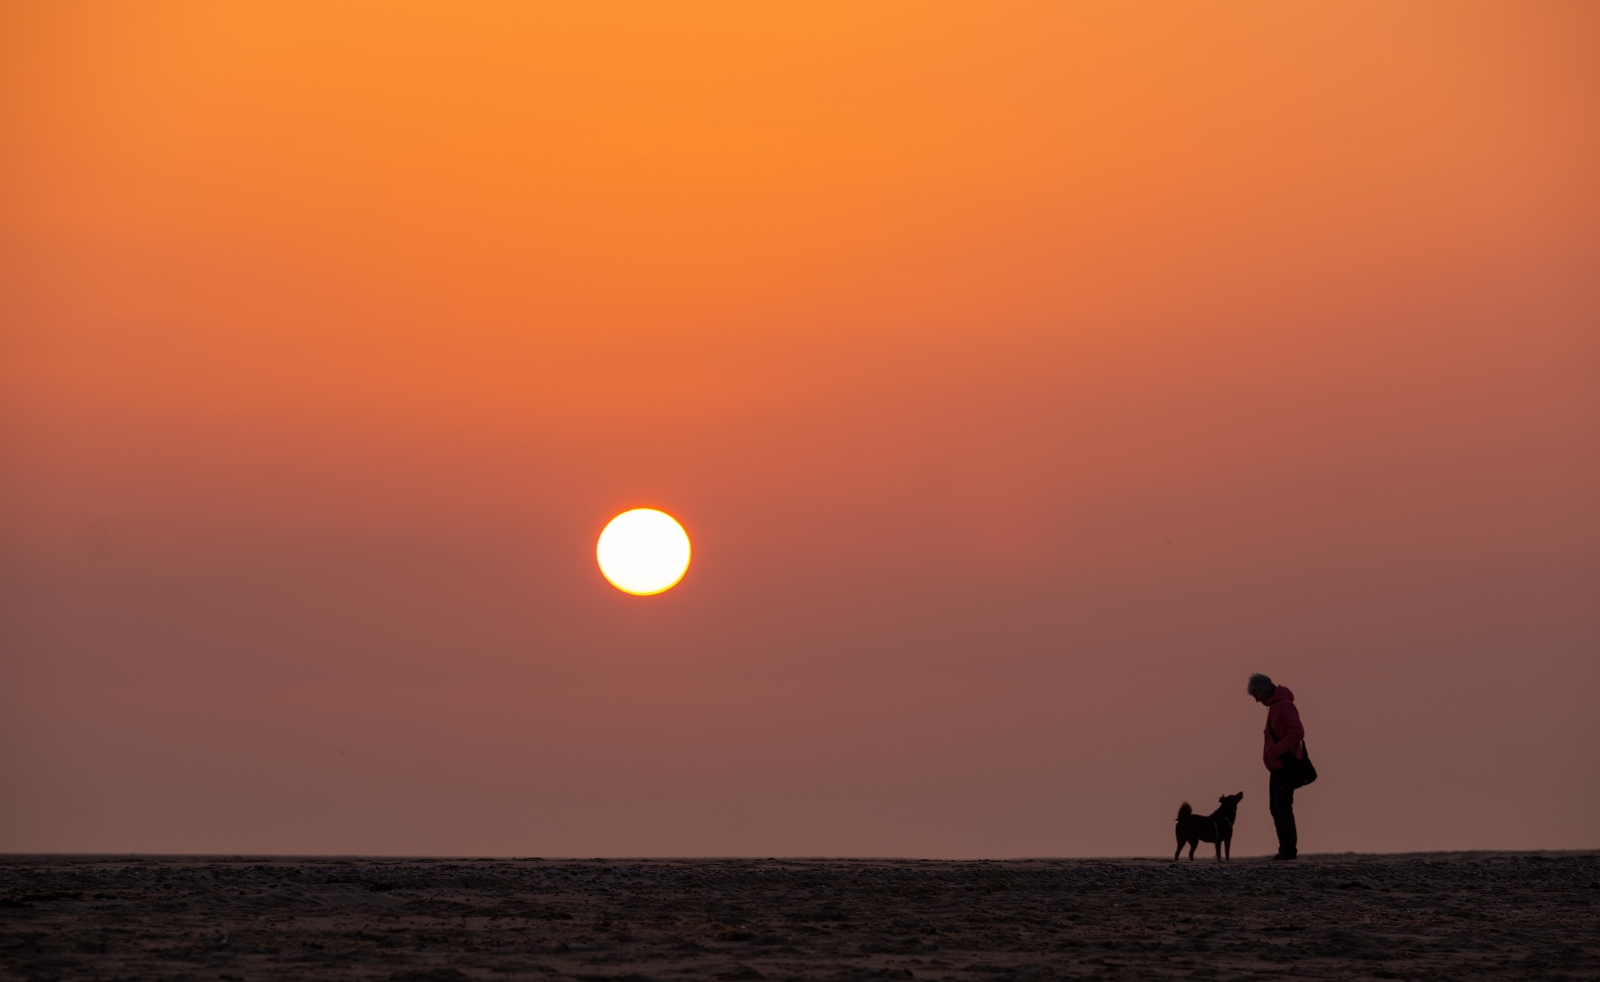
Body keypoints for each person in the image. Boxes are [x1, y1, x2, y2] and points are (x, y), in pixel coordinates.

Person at [1248, 673, 1305, 860]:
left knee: (1282, 808)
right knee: (1276, 808)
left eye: (1256, 695)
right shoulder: (1274, 707)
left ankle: (1288, 851)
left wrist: (1276, 751)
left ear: (1263, 691)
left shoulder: (1284, 705)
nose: (1256, 700)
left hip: (1285, 766)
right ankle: (1285, 849)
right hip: (1277, 767)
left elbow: (1297, 732)